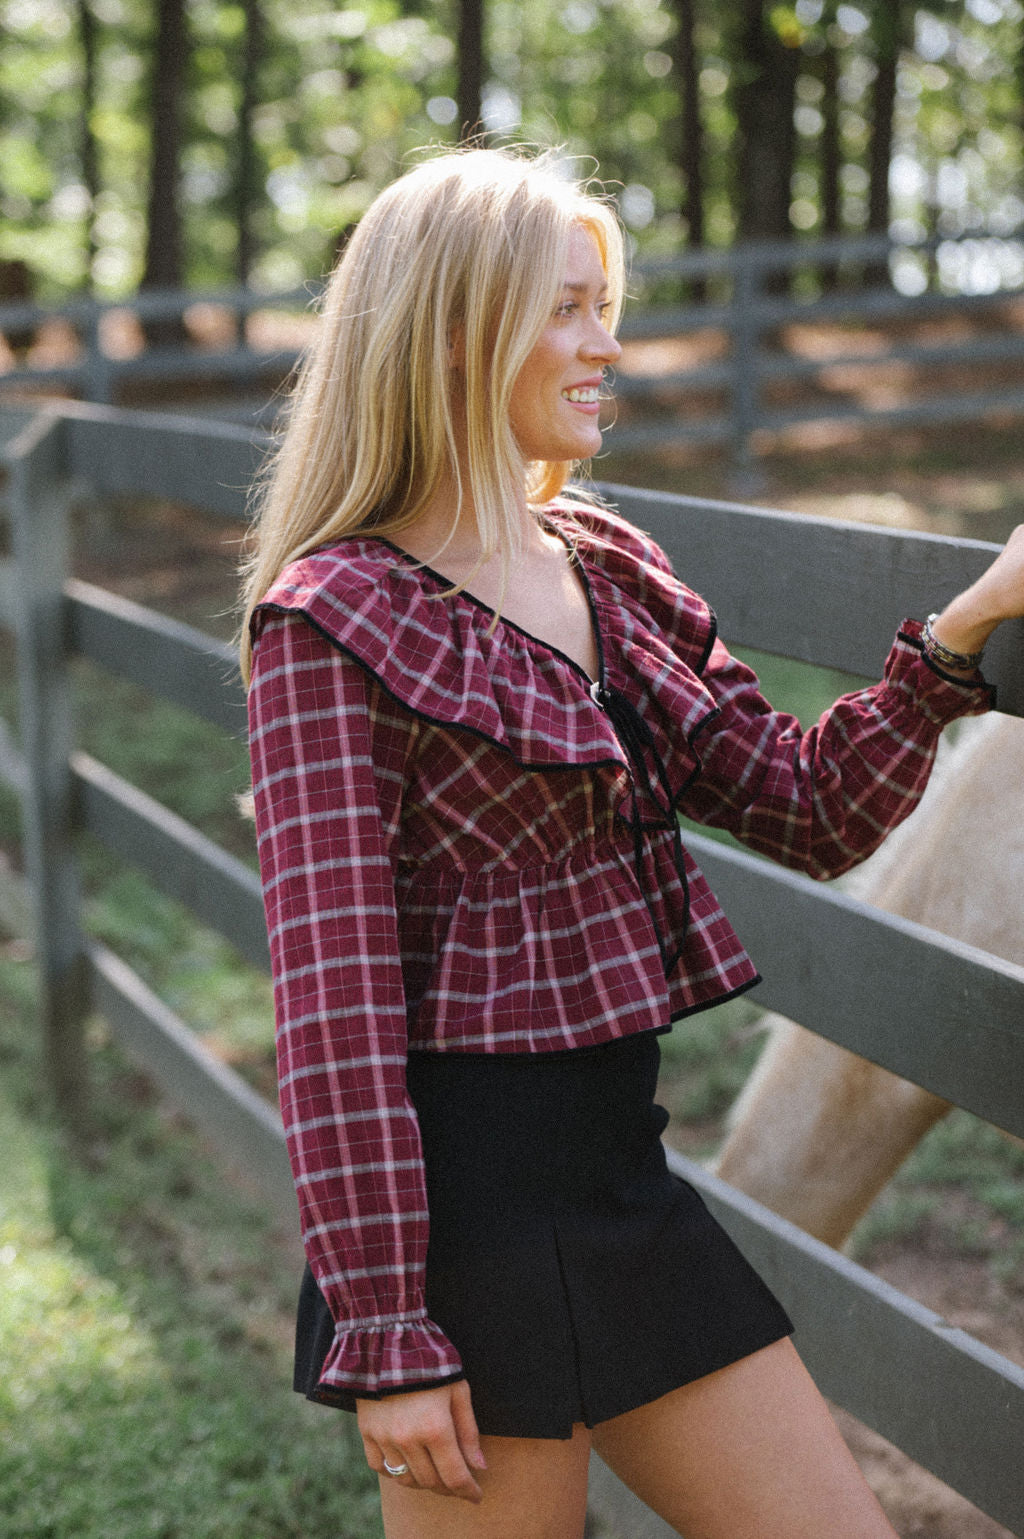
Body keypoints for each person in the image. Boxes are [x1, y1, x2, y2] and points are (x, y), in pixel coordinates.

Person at [240, 145, 1024, 1539]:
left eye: (608, 305)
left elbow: (807, 807)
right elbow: (333, 1009)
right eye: (569, 309)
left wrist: (960, 632)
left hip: (627, 1190)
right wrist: (388, 1331)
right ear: (452, 327)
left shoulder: (606, 565)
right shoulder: (329, 622)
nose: (609, 344)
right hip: (459, 1246)